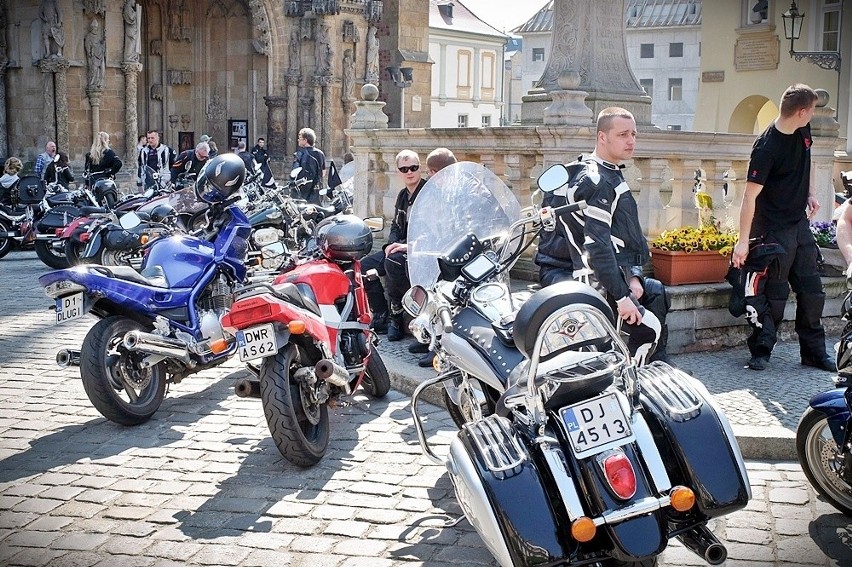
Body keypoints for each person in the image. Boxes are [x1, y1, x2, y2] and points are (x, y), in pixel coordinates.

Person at [534, 107, 665, 365]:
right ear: (602, 137)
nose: (631, 140)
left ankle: (655, 363)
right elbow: (597, 248)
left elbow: (624, 236)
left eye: (634, 134)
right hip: (574, 273)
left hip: (593, 269)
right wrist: (621, 296)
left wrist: (634, 276)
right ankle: (629, 370)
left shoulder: (596, 171)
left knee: (655, 291)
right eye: (623, 134)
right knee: (625, 319)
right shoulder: (599, 181)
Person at [731, 83, 833, 372]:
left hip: (799, 225)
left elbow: (808, 158)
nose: (812, 116)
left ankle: (813, 353)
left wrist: (811, 192)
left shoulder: (802, 130)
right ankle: (761, 350)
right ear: (801, 112)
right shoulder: (766, 148)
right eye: (811, 111)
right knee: (774, 296)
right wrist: (742, 241)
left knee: (813, 292)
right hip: (772, 230)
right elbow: (749, 197)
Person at [361, 149, 426, 342]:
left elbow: (430, 231)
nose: (409, 172)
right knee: (365, 266)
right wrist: (392, 244)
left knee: (393, 262)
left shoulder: (427, 193)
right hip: (400, 247)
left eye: (413, 167)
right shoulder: (402, 195)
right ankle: (381, 314)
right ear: (398, 171)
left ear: (419, 168)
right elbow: (396, 225)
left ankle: (396, 316)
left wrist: (403, 245)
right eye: (404, 169)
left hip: (419, 249)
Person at [405, 147, 458, 366]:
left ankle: (439, 347)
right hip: (443, 250)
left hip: (462, 255)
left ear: (438, 173)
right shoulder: (440, 192)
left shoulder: (465, 190)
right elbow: (432, 224)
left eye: (429, 172)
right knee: (415, 269)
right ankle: (428, 334)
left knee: (439, 288)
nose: (428, 177)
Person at [294, 127, 326, 204]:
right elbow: (323, 172)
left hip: (302, 191)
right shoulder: (320, 153)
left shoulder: (299, 154)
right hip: (317, 189)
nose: (298, 140)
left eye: (300, 138)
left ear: (305, 140)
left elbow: (295, 173)